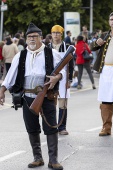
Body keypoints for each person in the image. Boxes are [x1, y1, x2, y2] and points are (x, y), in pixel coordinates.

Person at [0, 23, 65, 170]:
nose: (31, 39)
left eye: (34, 36)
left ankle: (53, 160)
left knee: (51, 127)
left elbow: (63, 71)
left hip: (47, 95)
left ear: (41, 37)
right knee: (32, 128)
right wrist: (2, 90)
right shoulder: (21, 55)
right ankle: (38, 158)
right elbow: (11, 75)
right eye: (29, 36)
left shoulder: (51, 53)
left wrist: (57, 78)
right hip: (28, 96)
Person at [48, 25, 74, 135]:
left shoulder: (67, 47)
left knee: (63, 103)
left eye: (58, 33)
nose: (55, 35)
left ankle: (62, 127)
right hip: (51, 78)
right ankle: (52, 126)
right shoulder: (47, 47)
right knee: (50, 103)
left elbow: (71, 64)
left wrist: (70, 80)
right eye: (54, 33)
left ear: (61, 34)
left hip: (63, 78)